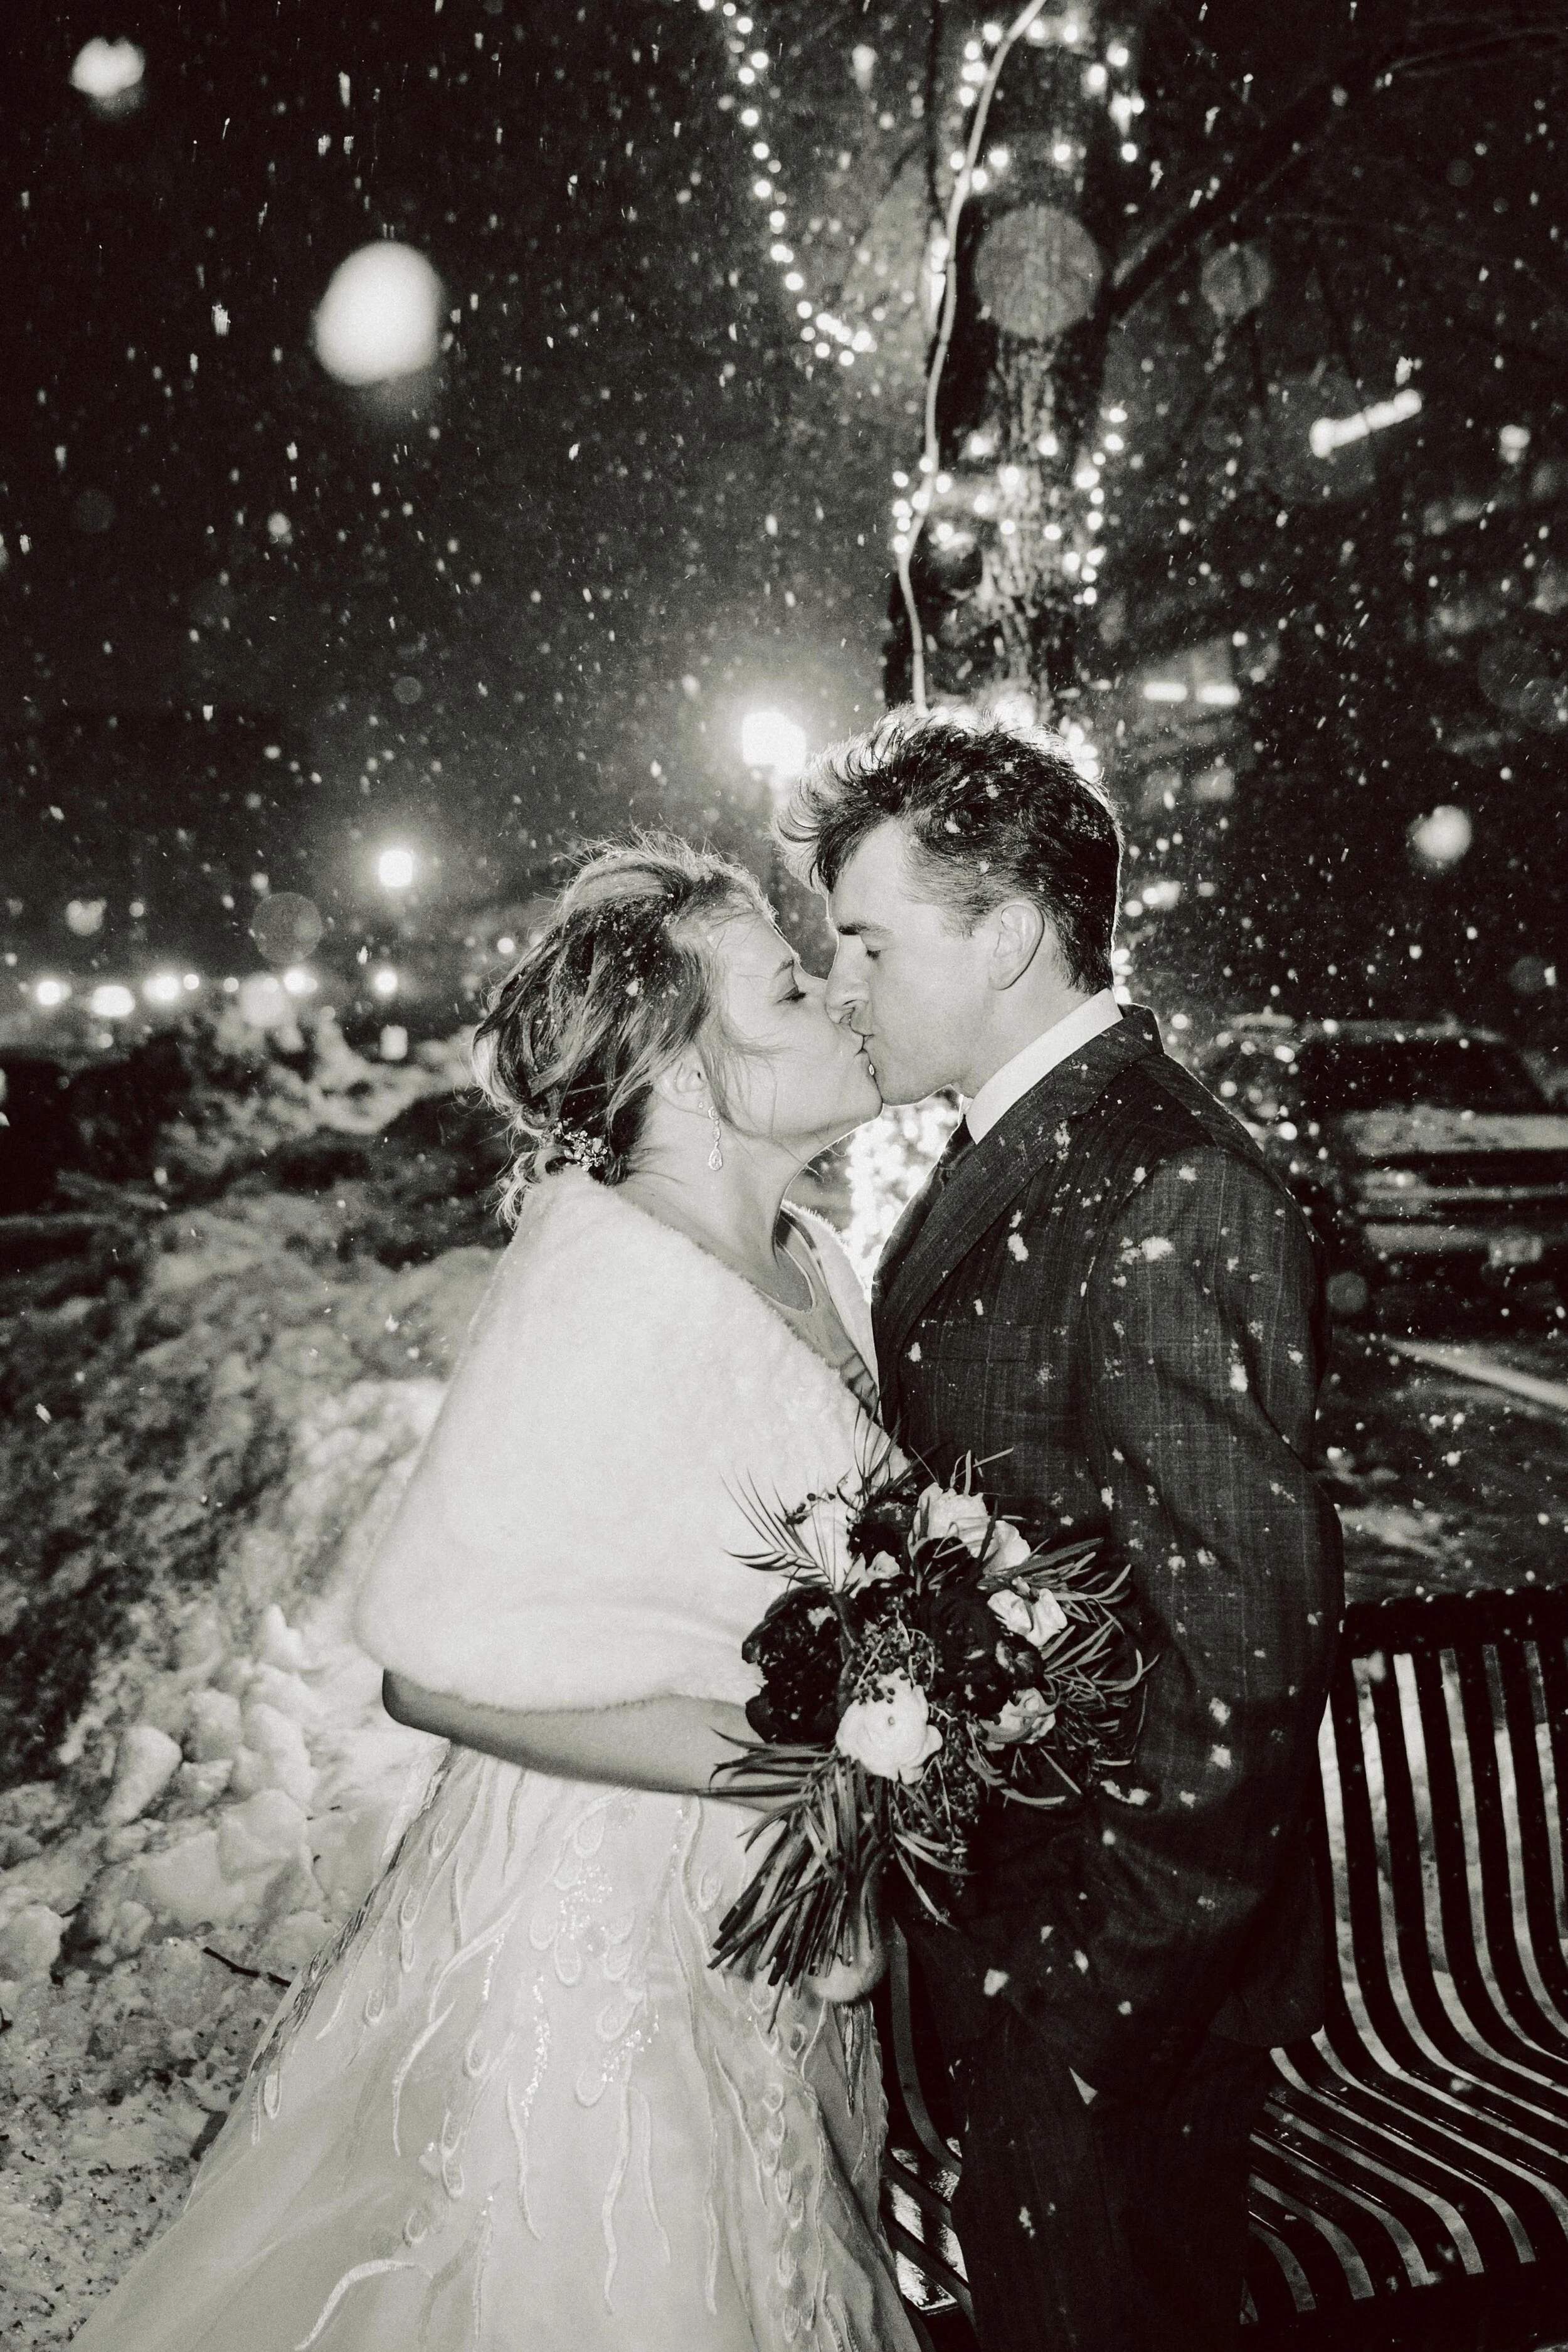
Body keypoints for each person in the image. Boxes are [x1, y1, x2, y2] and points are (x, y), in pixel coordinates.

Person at [68, 836, 919, 2352]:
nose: (838, 1006)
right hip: (602, 1927)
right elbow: (431, 1666)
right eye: (787, 989)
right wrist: (780, 1763)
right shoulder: (604, 1281)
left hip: (763, 1916)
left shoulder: (813, 1258)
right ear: (674, 1063)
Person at [778, 709, 1344, 2352]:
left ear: (1008, 930)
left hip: (1115, 1982)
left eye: (867, 938)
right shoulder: (1018, 1142)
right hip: (1023, 1937)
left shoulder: (1167, 1183)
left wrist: (1085, 1995)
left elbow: (1246, 1649)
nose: (844, 982)